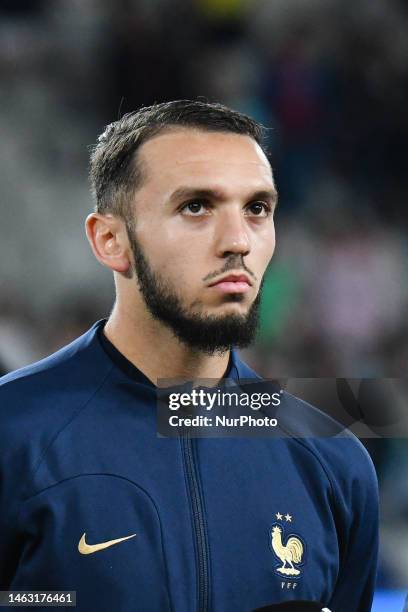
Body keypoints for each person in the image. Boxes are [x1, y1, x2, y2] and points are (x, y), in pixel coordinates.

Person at [0, 100, 378, 611]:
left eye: (257, 209)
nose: (238, 241)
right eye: (196, 206)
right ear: (110, 240)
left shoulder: (334, 461)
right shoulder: (14, 434)